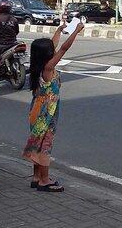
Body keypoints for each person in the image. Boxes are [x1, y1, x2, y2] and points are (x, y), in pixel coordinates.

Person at [22, 21, 84, 192]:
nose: (54, 50)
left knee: (38, 144)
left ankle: (36, 176)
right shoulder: (48, 68)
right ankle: (44, 180)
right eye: (51, 50)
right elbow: (63, 48)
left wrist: (58, 30)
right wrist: (76, 32)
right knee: (45, 146)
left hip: (37, 109)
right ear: (48, 55)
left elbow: (55, 45)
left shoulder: (38, 66)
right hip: (45, 113)